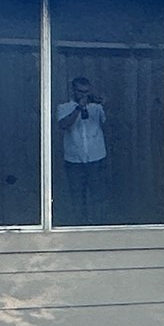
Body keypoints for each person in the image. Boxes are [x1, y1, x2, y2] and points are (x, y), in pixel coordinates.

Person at [56, 76, 108, 225]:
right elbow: (64, 125)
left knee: (98, 195)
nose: (84, 95)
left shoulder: (96, 107)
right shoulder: (64, 107)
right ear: (74, 91)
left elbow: (108, 123)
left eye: (86, 92)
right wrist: (79, 108)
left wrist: (105, 104)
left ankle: (98, 225)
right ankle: (80, 225)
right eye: (80, 91)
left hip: (96, 158)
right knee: (77, 196)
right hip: (74, 160)